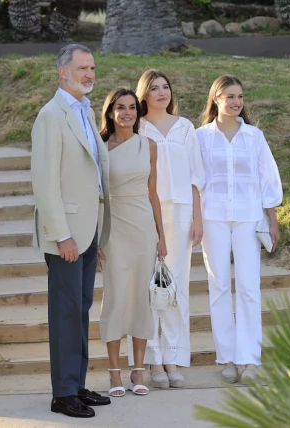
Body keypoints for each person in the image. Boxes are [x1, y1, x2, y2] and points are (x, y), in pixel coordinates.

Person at [30, 44, 112, 419]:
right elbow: (45, 184)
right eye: (82, 68)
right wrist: (61, 234)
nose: (89, 74)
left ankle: (76, 385)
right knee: (64, 312)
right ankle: (62, 395)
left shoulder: (84, 110)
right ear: (63, 72)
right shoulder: (51, 115)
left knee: (79, 309)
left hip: (88, 227)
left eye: (92, 68)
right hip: (67, 233)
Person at [196, 75, 283, 384]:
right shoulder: (200, 137)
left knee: (248, 287)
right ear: (216, 98)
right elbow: (195, 181)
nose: (236, 102)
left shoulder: (254, 136)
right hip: (213, 217)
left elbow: (267, 178)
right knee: (218, 286)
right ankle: (228, 357)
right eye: (229, 96)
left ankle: (249, 359)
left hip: (248, 217)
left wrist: (272, 219)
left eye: (240, 97)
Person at [129, 69, 205, 388]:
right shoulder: (137, 129)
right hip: (148, 213)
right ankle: (153, 360)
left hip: (182, 212)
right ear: (143, 94)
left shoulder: (186, 127)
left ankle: (172, 356)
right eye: (155, 88)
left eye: (166, 87)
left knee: (176, 288)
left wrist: (197, 218)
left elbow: (196, 176)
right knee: (151, 286)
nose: (162, 93)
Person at [98, 87, 167, 397]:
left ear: (138, 114)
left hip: (142, 228)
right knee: (114, 298)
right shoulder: (99, 147)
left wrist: (161, 236)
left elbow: (153, 194)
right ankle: (114, 372)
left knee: (141, 298)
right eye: (120, 107)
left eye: (132, 108)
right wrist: (95, 238)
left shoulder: (149, 145)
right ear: (111, 112)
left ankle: (138, 371)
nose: (127, 113)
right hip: (112, 229)